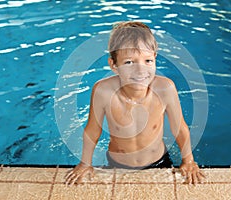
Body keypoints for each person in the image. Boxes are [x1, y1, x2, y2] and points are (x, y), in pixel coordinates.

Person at [65, 21, 205, 186]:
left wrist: (188, 160)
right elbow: (92, 130)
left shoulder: (165, 89)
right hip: (118, 163)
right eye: (129, 62)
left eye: (147, 61)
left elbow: (179, 127)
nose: (140, 70)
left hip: (159, 162)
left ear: (155, 59)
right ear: (114, 65)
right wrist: (85, 163)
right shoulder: (103, 91)